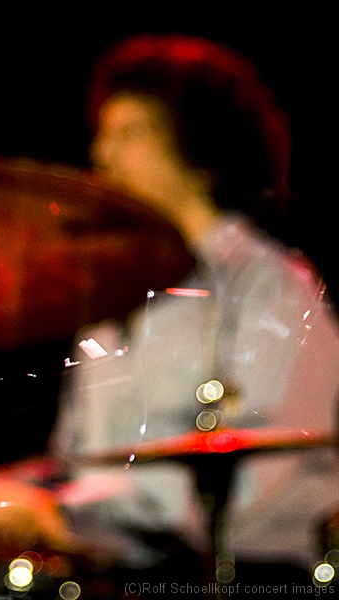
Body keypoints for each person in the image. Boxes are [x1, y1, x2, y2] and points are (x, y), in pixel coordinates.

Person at [45, 34, 339, 581]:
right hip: (121, 574)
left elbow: (254, 489)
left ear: (202, 151)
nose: (103, 156)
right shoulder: (108, 305)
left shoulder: (271, 288)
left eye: (130, 133)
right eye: (102, 135)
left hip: (246, 577)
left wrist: (70, 515)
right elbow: (75, 462)